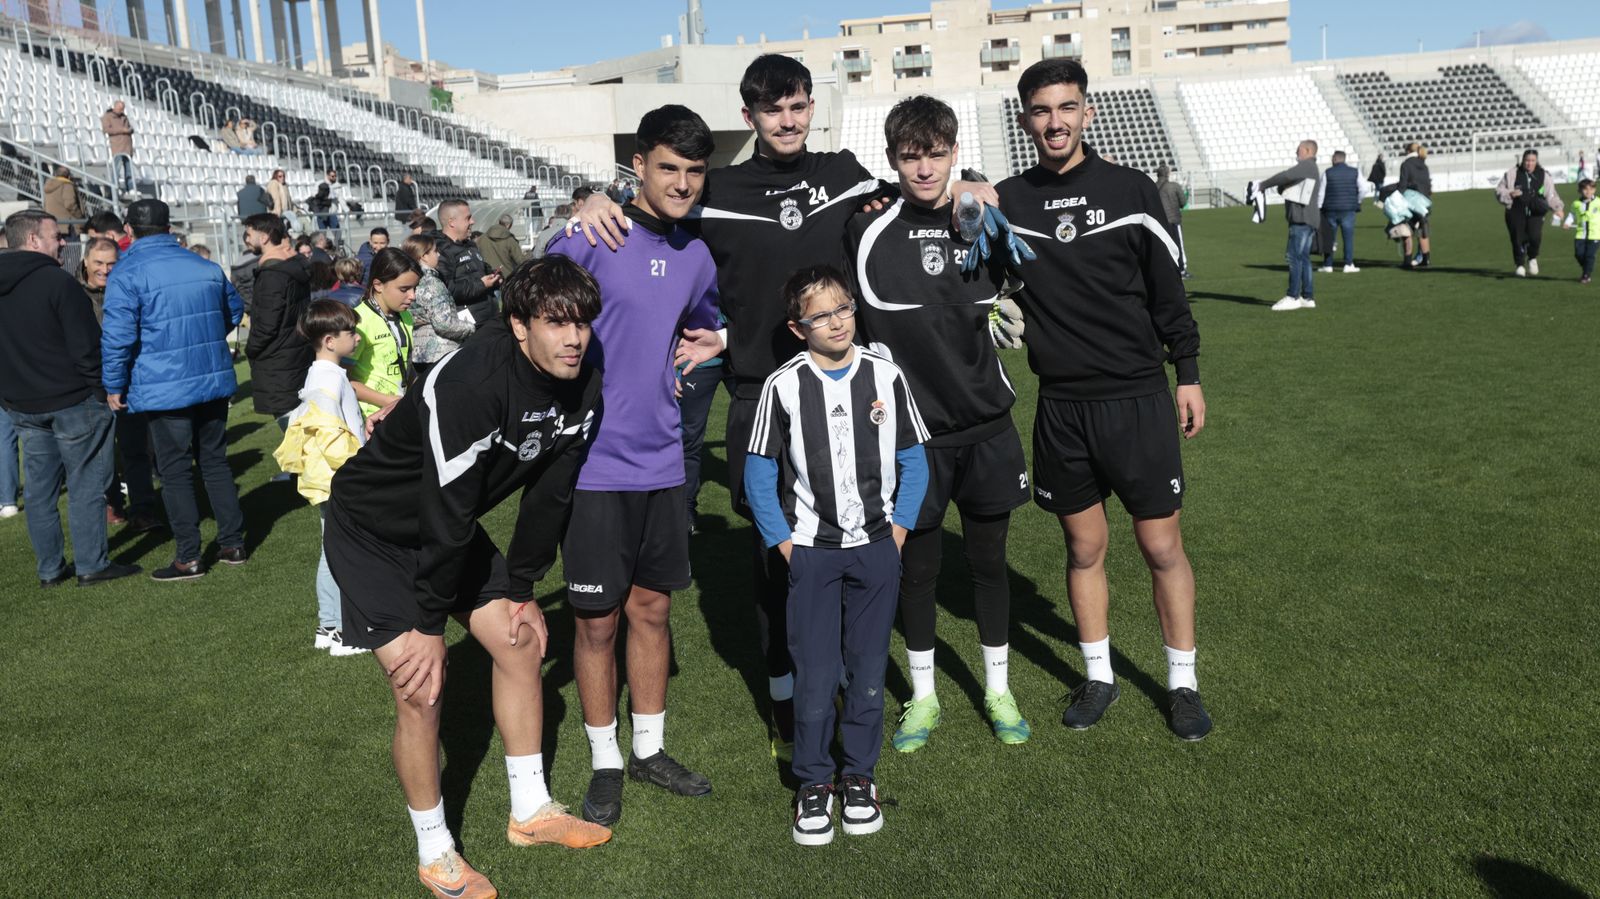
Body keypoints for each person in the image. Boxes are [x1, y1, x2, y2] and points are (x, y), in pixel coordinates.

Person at [569, 53, 997, 759]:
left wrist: (972, 181)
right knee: (779, 562)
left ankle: (846, 692)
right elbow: (652, 208)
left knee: (852, 545)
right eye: (773, 109)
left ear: (811, 109)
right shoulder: (716, 190)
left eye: (798, 106)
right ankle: (785, 702)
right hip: (759, 397)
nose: (788, 120)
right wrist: (595, 199)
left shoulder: (845, 175)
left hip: (845, 395)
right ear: (750, 116)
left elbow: (919, 185)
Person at [323, 255, 611, 898]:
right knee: (422, 688)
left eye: (583, 323)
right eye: (556, 323)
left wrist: (523, 588)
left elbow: (550, 494)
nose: (574, 338)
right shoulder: (472, 383)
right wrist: (430, 624)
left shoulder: (586, 381)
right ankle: (435, 852)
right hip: (374, 531)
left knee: (521, 640)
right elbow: (448, 511)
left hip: (442, 528)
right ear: (519, 325)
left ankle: (530, 811)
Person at [995, 58, 1212, 741]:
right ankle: (1099, 676)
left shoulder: (1132, 190)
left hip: (1137, 397)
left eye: (1067, 107)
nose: (1055, 122)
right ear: (1025, 119)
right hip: (1062, 405)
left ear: (1087, 112)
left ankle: (1182, 684)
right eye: (1041, 110)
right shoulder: (1008, 201)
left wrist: (1187, 372)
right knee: (1083, 546)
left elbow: (1168, 290)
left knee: (1161, 546)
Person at [545, 105, 722, 829]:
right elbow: (529, 315)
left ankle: (648, 749)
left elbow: (708, 321)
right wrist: (584, 207)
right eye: (667, 168)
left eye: (693, 171)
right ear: (639, 166)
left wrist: (713, 344)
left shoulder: (697, 255)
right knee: (596, 623)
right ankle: (606, 760)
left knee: (653, 610)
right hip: (593, 465)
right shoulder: (591, 235)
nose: (681, 183)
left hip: (664, 460)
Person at [844, 94, 1034, 755]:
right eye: (910, 156)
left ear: (954, 153)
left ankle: (998, 689)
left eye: (935, 154)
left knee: (988, 563)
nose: (924, 168)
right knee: (918, 569)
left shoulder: (980, 220)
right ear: (892, 159)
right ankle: (923, 696)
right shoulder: (866, 231)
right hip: (912, 437)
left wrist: (1009, 303)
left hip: (987, 427)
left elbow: (1020, 285)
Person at [744, 265, 928, 845]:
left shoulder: (885, 375)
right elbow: (758, 471)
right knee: (817, 674)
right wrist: (786, 545)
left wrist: (898, 533)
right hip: (813, 554)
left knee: (869, 670)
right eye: (820, 315)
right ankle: (813, 781)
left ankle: (859, 776)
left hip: (877, 549)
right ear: (798, 328)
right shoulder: (783, 386)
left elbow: (915, 460)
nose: (837, 322)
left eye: (843, 308)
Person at [102, 199, 247, 581]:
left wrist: (114, 383)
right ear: (168, 228)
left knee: (176, 470)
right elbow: (232, 311)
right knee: (213, 461)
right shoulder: (203, 266)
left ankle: (189, 556)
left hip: (165, 382)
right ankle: (232, 543)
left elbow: (118, 337)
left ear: (128, 231)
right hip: (205, 376)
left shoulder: (127, 271)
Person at [0, 210, 141, 587]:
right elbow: (86, 348)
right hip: (72, 402)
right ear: (33, 240)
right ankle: (91, 564)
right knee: (85, 484)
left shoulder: (53, 280)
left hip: (25, 405)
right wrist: (102, 390)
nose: (63, 242)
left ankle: (50, 569)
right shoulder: (58, 282)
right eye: (56, 236)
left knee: (40, 490)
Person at [272, 299, 369, 656]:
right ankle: (342, 631)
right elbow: (330, 435)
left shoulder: (323, 374)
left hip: (332, 478)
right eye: (350, 332)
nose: (357, 337)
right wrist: (356, 471)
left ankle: (330, 626)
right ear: (329, 341)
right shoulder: (327, 379)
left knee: (333, 551)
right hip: (339, 478)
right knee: (343, 552)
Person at [77, 236, 160, 531]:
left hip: (127, 381)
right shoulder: (72, 292)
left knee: (135, 448)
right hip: (88, 385)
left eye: (112, 263)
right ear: (86, 261)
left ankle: (143, 509)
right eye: (99, 263)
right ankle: (111, 502)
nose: (105, 269)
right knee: (100, 454)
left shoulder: (128, 286)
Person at [244, 212, 316, 441]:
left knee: (296, 436)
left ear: (264, 237)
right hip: (294, 355)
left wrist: (251, 349)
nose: (246, 239)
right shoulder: (289, 266)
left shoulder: (273, 274)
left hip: (280, 362)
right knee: (301, 430)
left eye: (249, 234)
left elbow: (267, 324)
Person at [348, 247, 420, 417]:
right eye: (404, 289)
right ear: (378, 285)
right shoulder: (359, 321)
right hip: (370, 416)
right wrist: (387, 400)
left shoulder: (406, 316)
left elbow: (405, 364)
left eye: (414, 288)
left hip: (399, 410)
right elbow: (343, 379)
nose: (413, 296)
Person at [1255, 140, 1324, 311]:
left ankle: (1292, 296)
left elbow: (1285, 176)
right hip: (1308, 219)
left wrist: (1262, 185)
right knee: (1304, 258)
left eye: (1299, 150)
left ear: (1307, 150)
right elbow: (1285, 186)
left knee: (1293, 257)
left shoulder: (1307, 166)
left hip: (1302, 219)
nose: (1296, 152)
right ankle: (1307, 297)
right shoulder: (1310, 168)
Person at [403, 233, 473, 381]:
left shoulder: (408, 281)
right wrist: (470, 328)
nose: (439, 255)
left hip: (418, 353)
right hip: (440, 352)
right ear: (424, 256)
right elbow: (443, 323)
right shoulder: (432, 283)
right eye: (435, 251)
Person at [1495, 148, 1564, 277]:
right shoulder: (1512, 173)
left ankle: (1532, 257)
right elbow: (1499, 190)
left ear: (1536, 161)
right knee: (1517, 238)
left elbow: (1551, 194)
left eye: (1532, 160)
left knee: (1535, 237)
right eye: (1527, 160)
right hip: (1515, 211)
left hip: (1536, 212)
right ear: (1523, 160)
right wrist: (1510, 193)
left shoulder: (1544, 175)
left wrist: (1557, 208)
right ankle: (1520, 265)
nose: (1529, 163)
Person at [432, 199, 501, 326]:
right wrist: (482, 284)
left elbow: (480, 272)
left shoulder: (470, 245)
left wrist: (494, 277)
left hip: (489, 316)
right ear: (451, 222)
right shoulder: (439, 251)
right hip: (469, 325)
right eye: (468, 218)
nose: (472, 221)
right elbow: (447, 290)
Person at [1317, 150, 1362, 273]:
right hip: (1348, 209)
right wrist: (1358, 201)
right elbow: (1364, 188)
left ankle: (1328, 265)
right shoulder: (1355, 172)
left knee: (1329, 238)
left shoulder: (1327, 172)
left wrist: (1319, 207)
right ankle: (1348, 264)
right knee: (1348, 238)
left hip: (1330, 210)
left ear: (1335, 159)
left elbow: (1321, 192)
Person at [1397, 143, 1433, 268]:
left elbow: (1403, 185)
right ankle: (1426, 259)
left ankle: (1407, 261)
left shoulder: (1406, 164)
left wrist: (1397, 198)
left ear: (1408, 151)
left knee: (1407, 230)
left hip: (1411, 201)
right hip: (1425, 202)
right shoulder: (1423, 164)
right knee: (1423, 230)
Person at [1155, 163, 1188, 277]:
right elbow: (1183, 202)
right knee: (1178, 245)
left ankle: (1165, 271)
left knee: (1163, 247)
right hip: (1174, 220)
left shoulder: (1152, 186)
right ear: (1168, 174)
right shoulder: (1174, 186)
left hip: (1158, 222)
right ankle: (1181, 269)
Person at [101, 99, 135, 195]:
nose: (122, 111)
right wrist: (122, 130)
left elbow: (130, 127)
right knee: (117, 169)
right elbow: (106, 129)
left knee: (129, 170)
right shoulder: (108, 117)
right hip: (117, 147)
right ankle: (115, 187)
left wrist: (130, 130)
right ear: (115, 107)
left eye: (123, 109)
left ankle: (130, 188)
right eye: (120, 109)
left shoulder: (124, 117)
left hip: (127, 147)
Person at [1570, 178, 1599, 284]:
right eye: (1585, 189)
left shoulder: (1598, 202)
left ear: (1594, 190)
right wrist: (1567, 223)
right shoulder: (1576, 203)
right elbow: (1572, 214)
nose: (1588, 191)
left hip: (1595, 235)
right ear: (1579, 191)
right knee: (1578, 254)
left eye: (1591, 189)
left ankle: (1586, 275)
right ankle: (1587, 269)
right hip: (1580, 234)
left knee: (1589, 255)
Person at [43, 166, 84, 232]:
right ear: (69, 176)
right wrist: (80, 217)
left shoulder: (48, 186)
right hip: (68, 226)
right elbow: (70, 205)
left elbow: (45, 206)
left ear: (55, 174)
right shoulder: (67, 186)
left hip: (53, 225)